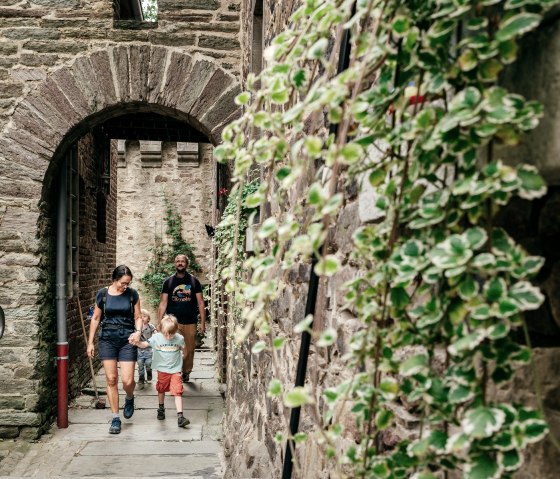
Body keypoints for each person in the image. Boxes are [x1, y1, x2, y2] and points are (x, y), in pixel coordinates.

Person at [87, 265, 143, 435]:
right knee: (111, 379)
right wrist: (90, 343)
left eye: (128, 283)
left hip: (127, 339)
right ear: (114, 279)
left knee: (127, 381)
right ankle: (115, 418)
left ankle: (130, 397)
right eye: (123, 283)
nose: (125, 286)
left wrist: (138, 332)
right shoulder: (102, 294)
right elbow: (96, 318)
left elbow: (138, 317)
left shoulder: (132, 294)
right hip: (107, 339)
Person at [132, 314, 190, 428]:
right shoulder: (157, 337)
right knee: (161, 389)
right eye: (166, 334)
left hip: (175, 370)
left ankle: (180, 417)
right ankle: (161, 408)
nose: (168, 337)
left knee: (178, 391)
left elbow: (185, 351)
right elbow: (144, 344)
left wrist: (180, 361)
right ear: (161, 330)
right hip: (162, 370)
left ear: (176, 330)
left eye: (171, 334)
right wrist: (137, 342)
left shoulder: (179, 338)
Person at [158, 254, 206, 383]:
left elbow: (201, 303)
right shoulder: (168, 282)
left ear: (186, 264)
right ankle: (175, 372)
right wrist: (160, 323)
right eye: (178, 261)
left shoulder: (194, 281)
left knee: (189, 351)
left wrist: (202, 323)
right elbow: (163, 303)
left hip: (190, 321)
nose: (180, 263)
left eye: (182, 261)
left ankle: (186, 371)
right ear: (175, 264)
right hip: (173, 322)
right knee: (174, 349)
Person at [137, 308, 156, 387]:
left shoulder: (150, 326)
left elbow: (155, 331)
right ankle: (141, 378)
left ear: (148, 318)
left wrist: (155, 335)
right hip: (139, 350)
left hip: (148, 350)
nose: (142, 318)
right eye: (141, 316)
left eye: (144, 316)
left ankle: (149, 372)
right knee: (140, 366)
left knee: (148, 364)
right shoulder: (137, 327)